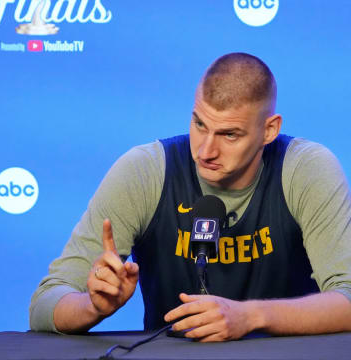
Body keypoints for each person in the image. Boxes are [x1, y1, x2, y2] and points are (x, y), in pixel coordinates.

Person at [30, 53, 351, 341]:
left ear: (269, 130)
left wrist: (250, 317)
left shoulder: (304, 170)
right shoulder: (145, 171)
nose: (206, 151)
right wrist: (92, 306)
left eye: (229, 134)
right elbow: (45, 304)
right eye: (199, 124)